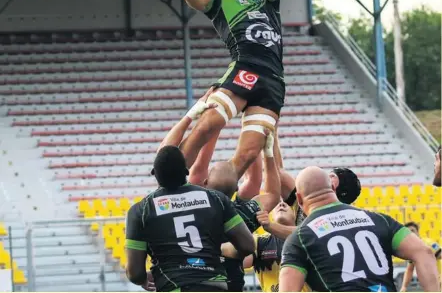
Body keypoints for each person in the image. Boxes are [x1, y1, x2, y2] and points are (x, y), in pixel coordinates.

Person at [177, 0, 285, 181]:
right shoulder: (216, 3)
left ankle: (218, 197)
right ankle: (172, 182)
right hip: (245, 68)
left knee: (249, 153)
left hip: (273, 80)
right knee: (208, 124)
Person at [157, 95, 281, 292]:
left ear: (205, 183)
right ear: (236, 191)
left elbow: (165, 159)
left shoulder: (183, 205)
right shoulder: (242, 216)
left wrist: (203, 121)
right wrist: (267, 152)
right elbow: (273, 194)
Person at [279, 166, 440, 292]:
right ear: (332, 189)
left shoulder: (299, 238)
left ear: (299, 199)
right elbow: (424, 252)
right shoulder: (379, 219)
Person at [125, 145, 255, 292]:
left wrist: (143, 279)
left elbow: (134, 273)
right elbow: (247, 246)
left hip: (175, 286)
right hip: (216, 285)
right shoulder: (216, 199)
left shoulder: (140, 211)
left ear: (154, 173)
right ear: (186, 172)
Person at [221, 168, 362, 292]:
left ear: (297, 211)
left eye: (286, 204)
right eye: (278, 204)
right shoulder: (261, 243)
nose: (281, 204)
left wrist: (270, 226)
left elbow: (309, 233)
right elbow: (235, 254)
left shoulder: (313, 236)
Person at [399, 222, 441, 292]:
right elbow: (410, 269)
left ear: (418, 232)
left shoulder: (428, 244)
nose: (411, 234)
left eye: (412, 231)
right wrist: (404, 286)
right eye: (408, 232)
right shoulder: (411, 250)